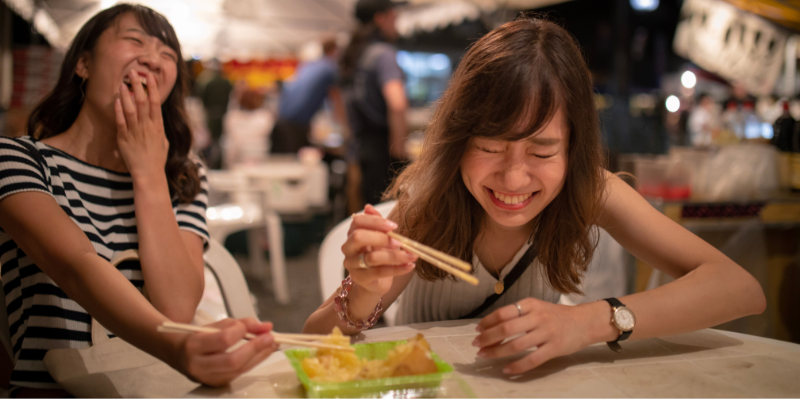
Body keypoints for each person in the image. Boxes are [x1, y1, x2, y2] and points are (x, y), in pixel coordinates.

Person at [304, 17, 766, 375]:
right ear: (458, 142)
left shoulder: (588, 189)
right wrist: (364, 292)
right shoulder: (427, 203)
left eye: (542, 150)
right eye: (489, 146)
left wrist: (586, 323)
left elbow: (740, 289)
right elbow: (311, 340)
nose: (514, 177)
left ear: (572, 148)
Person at [0, 5, 277, 395]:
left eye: (167, 54)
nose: (152, 57)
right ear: (83, 64)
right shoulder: (16, 159)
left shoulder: (184, 176)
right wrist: (176, 346)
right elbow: (77, 267)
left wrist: (148, 173)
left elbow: (177, 309)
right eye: (134, 40)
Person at [340, 0, 410, 206]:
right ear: (380, 18)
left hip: (361, 149)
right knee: (386, 216)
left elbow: (343, 106)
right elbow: (397, 103)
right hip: (382, 152)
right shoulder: (383, 54)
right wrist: (399, 151)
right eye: (394, 16)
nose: (396, 22)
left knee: (367, 213)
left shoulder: (354, 55)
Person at [271, 38, 347, 154]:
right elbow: (337, 100)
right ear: (335, 51)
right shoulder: (330, 68)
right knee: (294, 167)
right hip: (294, 127)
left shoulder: (309, 65)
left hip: (280, 123)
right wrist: (346, 129)